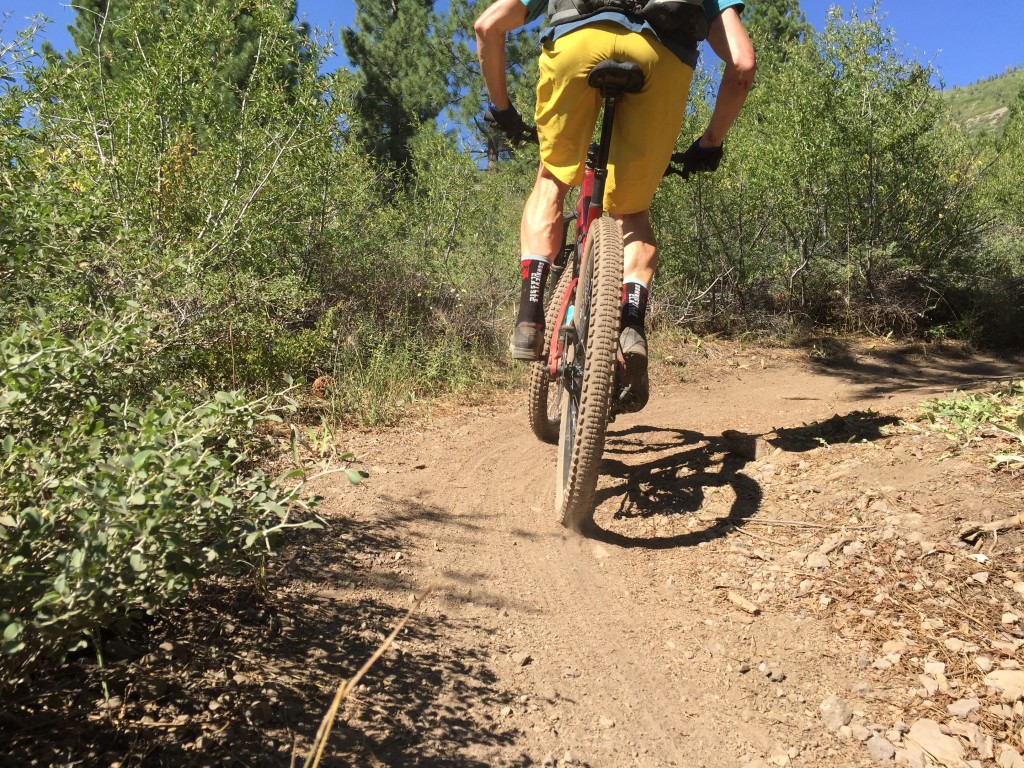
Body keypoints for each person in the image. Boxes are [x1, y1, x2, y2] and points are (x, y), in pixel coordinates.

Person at [476, 0, 755, 411]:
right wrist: (710, 142)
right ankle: (631, 324)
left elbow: (488, 26)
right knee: (631, 211)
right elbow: (742, 66)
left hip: (577, 44)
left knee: (552, 181)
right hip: (660, 62)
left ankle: (529, 316)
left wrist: (502, 109)